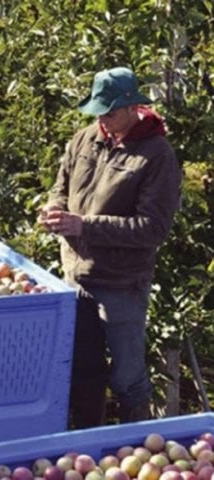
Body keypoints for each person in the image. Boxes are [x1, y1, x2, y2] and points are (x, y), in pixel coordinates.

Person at [38, 66, 182, 428]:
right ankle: (88, 443)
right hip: (76, 276)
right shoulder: (86, 138)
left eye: (110, 111)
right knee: (83, 370)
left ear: (133, 106)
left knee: (127, 377)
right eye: (98, 111)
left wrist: (85, 226)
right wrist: (55, 207)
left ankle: (141, 445)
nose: (102, 118)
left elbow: (152, 229)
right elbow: (62, 184)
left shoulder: (156, 156)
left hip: (120, 284)